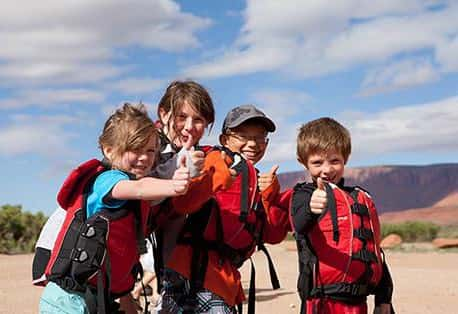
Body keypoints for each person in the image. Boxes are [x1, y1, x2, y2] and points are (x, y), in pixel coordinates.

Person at [38, 103, 191, 314]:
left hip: (99, 298)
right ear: (109, 150)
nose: (145, 157)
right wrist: (174, 185)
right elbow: (138, 188)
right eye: (135, 149)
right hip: (67, 300)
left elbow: (117, 261)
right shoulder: (106, 181)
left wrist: (128, 302)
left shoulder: (132, 205)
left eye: (151, 151)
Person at [158, 104, 291, 314]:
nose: (253, 144)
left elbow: (272, 236)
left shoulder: (257, 181)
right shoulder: (212, 159)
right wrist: (217, 176)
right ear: (224, 139)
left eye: (259, 137)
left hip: (223, 278)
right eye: (242, 136)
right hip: (193, 273)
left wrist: (270, 197)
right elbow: (182, 203)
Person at [290, 117, 394, 314]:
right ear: (303, 162)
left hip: (358, 303)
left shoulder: (360, 197)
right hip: (320, 302)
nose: (327, 170)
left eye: (335, 161)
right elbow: (300, 224)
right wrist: (312, 208)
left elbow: (374, 251)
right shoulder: (304, 195)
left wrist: (384, 299)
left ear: (345, 158)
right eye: (317, 162)